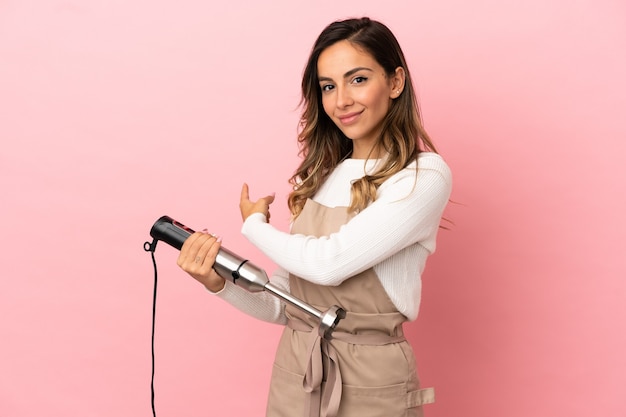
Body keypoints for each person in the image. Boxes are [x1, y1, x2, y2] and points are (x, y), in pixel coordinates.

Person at [177, 17, 452, 417]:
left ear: (395, 82)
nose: (341, 100)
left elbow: (329, 263)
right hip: (297, 371)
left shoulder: (422, 175)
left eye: (357, 79)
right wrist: (217, 282)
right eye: (328, 86)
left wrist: (254, 225)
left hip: (372, 379)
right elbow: (286, 306)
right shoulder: (318, 178)